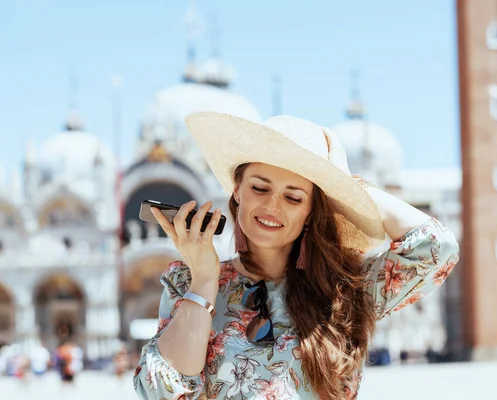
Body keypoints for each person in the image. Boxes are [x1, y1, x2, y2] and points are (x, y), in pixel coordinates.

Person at [133, 112, 459, 399]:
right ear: (237, 190)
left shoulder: (346, 290)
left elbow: (436, 247)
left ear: (312, 210)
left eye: (293, 197)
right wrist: (204, 281)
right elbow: (161, 392)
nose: (272, 207)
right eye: (260, 188)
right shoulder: (187, 283)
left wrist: (345, 186)